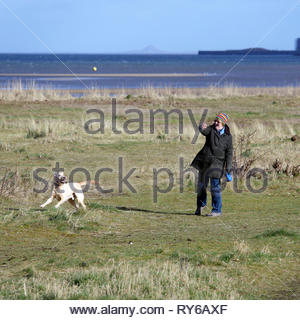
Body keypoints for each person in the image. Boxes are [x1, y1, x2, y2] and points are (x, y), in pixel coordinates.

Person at [191, 112, 233, 216]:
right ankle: (200, 206)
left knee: (215, 188)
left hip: (217, 165)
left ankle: (216, 211)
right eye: (215, 121)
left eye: (218, 121)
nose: (215, 123)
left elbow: (229, 153)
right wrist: (201, 127)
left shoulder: (228, 137)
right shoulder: (211, 130)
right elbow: (204, 131)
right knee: (201, 186)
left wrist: (228, 169)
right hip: (204, 162)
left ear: (223, 123)